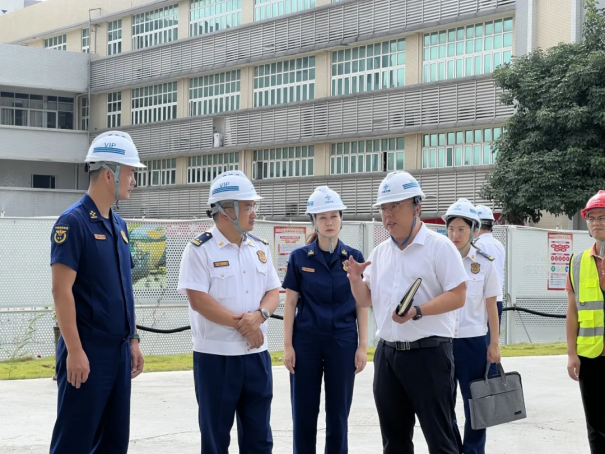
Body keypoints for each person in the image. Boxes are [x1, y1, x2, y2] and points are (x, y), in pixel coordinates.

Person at [345, 170, 468, 454]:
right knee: (394, 441)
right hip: (388, 356)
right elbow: (365, 300)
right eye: (384, 208)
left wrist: (418, 311)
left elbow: (458, 295)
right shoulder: (380, 253)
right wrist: (355, 280)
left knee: (441, 440)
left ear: (417, 207)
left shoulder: (439, 247)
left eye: (395, 206)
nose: (388, 214)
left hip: (429, 355)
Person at [49, 131, 146, 454]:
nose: (133, 180)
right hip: (87, 350)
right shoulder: (72, 223)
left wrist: (133, 339)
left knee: (114, 442)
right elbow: (61, 291)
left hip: (118, 351)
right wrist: (75, 351)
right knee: (74, 441)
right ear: (109, 174)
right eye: (129, 172)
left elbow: (124, 288)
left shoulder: (119, 226)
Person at [177, 170, 281, 454]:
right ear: (225, 211)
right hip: (216, 359)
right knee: (216, 439)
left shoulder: (259, 248)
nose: (254, 213)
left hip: (256, 356)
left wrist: (259, 317)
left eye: (253, 205)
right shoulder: (199, 250)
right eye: (247, 206)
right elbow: (198, 300)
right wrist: (244, 326)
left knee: (260, 440)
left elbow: (273, 291)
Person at [282, 186, 368, 454]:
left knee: (338, 414)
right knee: (304, 412)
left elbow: (361, 304)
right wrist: (288, 346)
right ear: (313, 222)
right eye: (322, 217)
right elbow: (290, 303)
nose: (329, 222)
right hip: (306, 340)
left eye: (333, 216)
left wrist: (362, 346)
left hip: (342, 339)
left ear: (341, 219)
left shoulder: (354, 258)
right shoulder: (299, 258)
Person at [444, 199, 501, 454]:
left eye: (461, 229)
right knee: (443, 404)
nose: (455, 235)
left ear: (474, 230)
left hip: (473, 343)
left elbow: (491, 307)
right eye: (451, 229)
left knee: (476, 405)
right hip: (443, 342)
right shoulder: (440, 260)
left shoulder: (485, 263)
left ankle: (474, 451)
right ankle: (452, 449)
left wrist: (494, 344)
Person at [566, 190, 605, 453]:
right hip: (590, 356)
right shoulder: (577, 262)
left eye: (602, 217)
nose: (596, 223)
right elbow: (572, 312)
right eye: (592, 218)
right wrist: (572, 354)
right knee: (596, 424)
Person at [474, 205, 506, 343]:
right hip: (497, 298)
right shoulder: (498, 244)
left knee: (483, 343)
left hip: (483, 301)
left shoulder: (478, 245)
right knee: (493, 342)